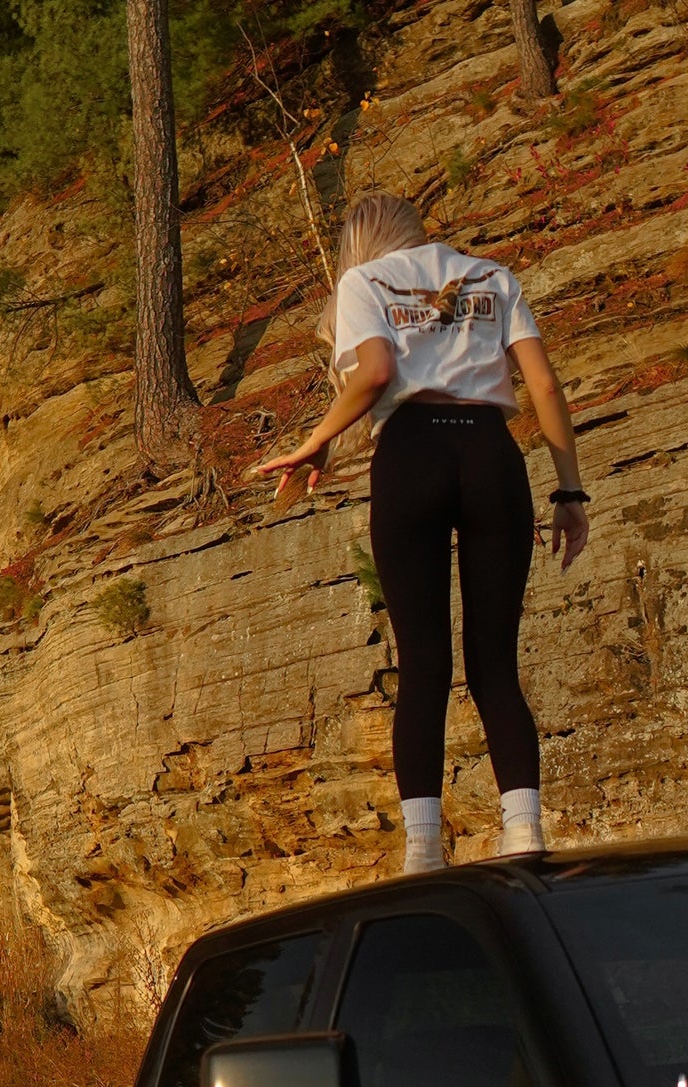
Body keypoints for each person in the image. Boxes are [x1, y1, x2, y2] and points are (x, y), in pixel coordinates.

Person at [256, 192, 589, 874]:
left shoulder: (363, 283)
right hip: (491, 453)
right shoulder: (491, 276)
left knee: (423, 665)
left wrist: (317, 440)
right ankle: (522, 829)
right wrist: (569, 489)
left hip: (411, 455)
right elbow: (546, 389)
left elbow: (374, 372)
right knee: (495, 662)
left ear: (361, 246)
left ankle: (423, 849)